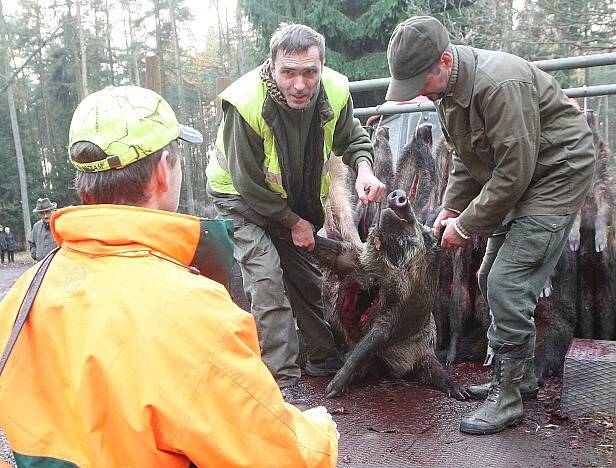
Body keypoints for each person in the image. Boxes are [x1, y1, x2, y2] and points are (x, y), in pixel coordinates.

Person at [0, 85, 338, 467]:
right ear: (164, 171)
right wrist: (321, 431)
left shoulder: (23, 295)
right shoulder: (196, 314)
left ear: (85, 183)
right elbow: (282, 459)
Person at [386, 16, 595, 435]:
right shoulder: (447, 93)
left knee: (506, 282)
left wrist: (465, 226)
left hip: (556, 175)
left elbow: (514, 172)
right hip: (522, 177)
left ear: (443, 61)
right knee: (488, 276)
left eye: (420, 81)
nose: (419, 93)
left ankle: (509, 399)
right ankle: (518, 377)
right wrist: (450, 208)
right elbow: (467, 159)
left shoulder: (499, 84)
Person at [205, 23, 385, 405]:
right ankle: (282, 379)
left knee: (306, 280)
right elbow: (251, 184)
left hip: (287, 201)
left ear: (321, 67)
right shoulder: (246, 104)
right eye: (289, 72)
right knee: (267, 280)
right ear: (271, 68)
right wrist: (295, 223)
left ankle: (321, 358)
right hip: (239, 197)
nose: (300, 83)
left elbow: (351, 137)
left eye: (309, 72)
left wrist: (365, 169)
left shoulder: (334, 91)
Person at [29, 197, 59, 261]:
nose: (45, 216)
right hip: (41, 265)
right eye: (42, 213)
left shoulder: (61, 224)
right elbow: (32, 243)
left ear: (53, 210)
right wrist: (35, 254)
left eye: (48, 212)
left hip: (58, 265)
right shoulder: (36, 226)